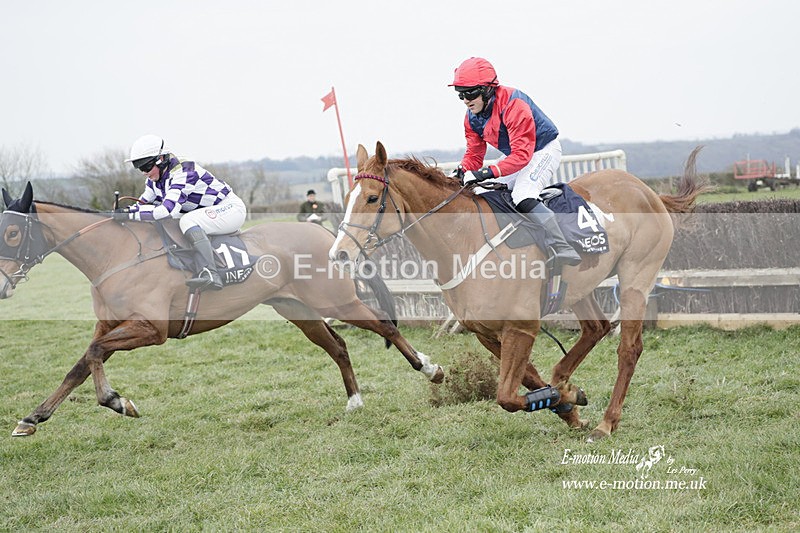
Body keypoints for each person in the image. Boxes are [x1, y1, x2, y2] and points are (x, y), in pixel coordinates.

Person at [449, 57, 581, 267]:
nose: (465, 100)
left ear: (487, 89)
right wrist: (462, 171)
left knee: (523, 194)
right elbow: (474, 154)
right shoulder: (471, 117)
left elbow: (522, 155)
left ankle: (562, 245)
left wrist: (486, 172)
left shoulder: (514, 105)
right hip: (517, 154)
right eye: (460, 94)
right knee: (481, 192)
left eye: (470, 93)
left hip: (542, 150)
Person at [115, 134, 247, 291]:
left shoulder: (184, 171)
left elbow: (166, 210)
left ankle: (210, 273)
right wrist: (125, 211)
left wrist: (129, 214)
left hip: (230, 209)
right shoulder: (153, 179)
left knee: (187, 221)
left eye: (145, 167)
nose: (144, 172)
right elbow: (143, 204)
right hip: (204, 211)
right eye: (139, 168)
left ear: (161, 159)